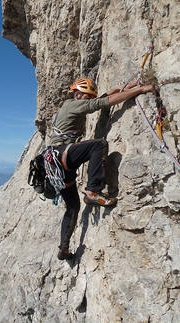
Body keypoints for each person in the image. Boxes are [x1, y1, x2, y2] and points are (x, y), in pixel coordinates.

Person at [47, 78, 156, 260]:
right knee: (98, 146)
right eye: (86, 97)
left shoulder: (70, 105)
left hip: (55, 165)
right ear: (77, 94)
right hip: (62, 155)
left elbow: (102, 98)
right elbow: (104, 102)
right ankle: (93, 191)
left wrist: (123, 87)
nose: (88, 100)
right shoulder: (75, 105)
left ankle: (63, 249)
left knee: (73, 206)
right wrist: (141, 90)